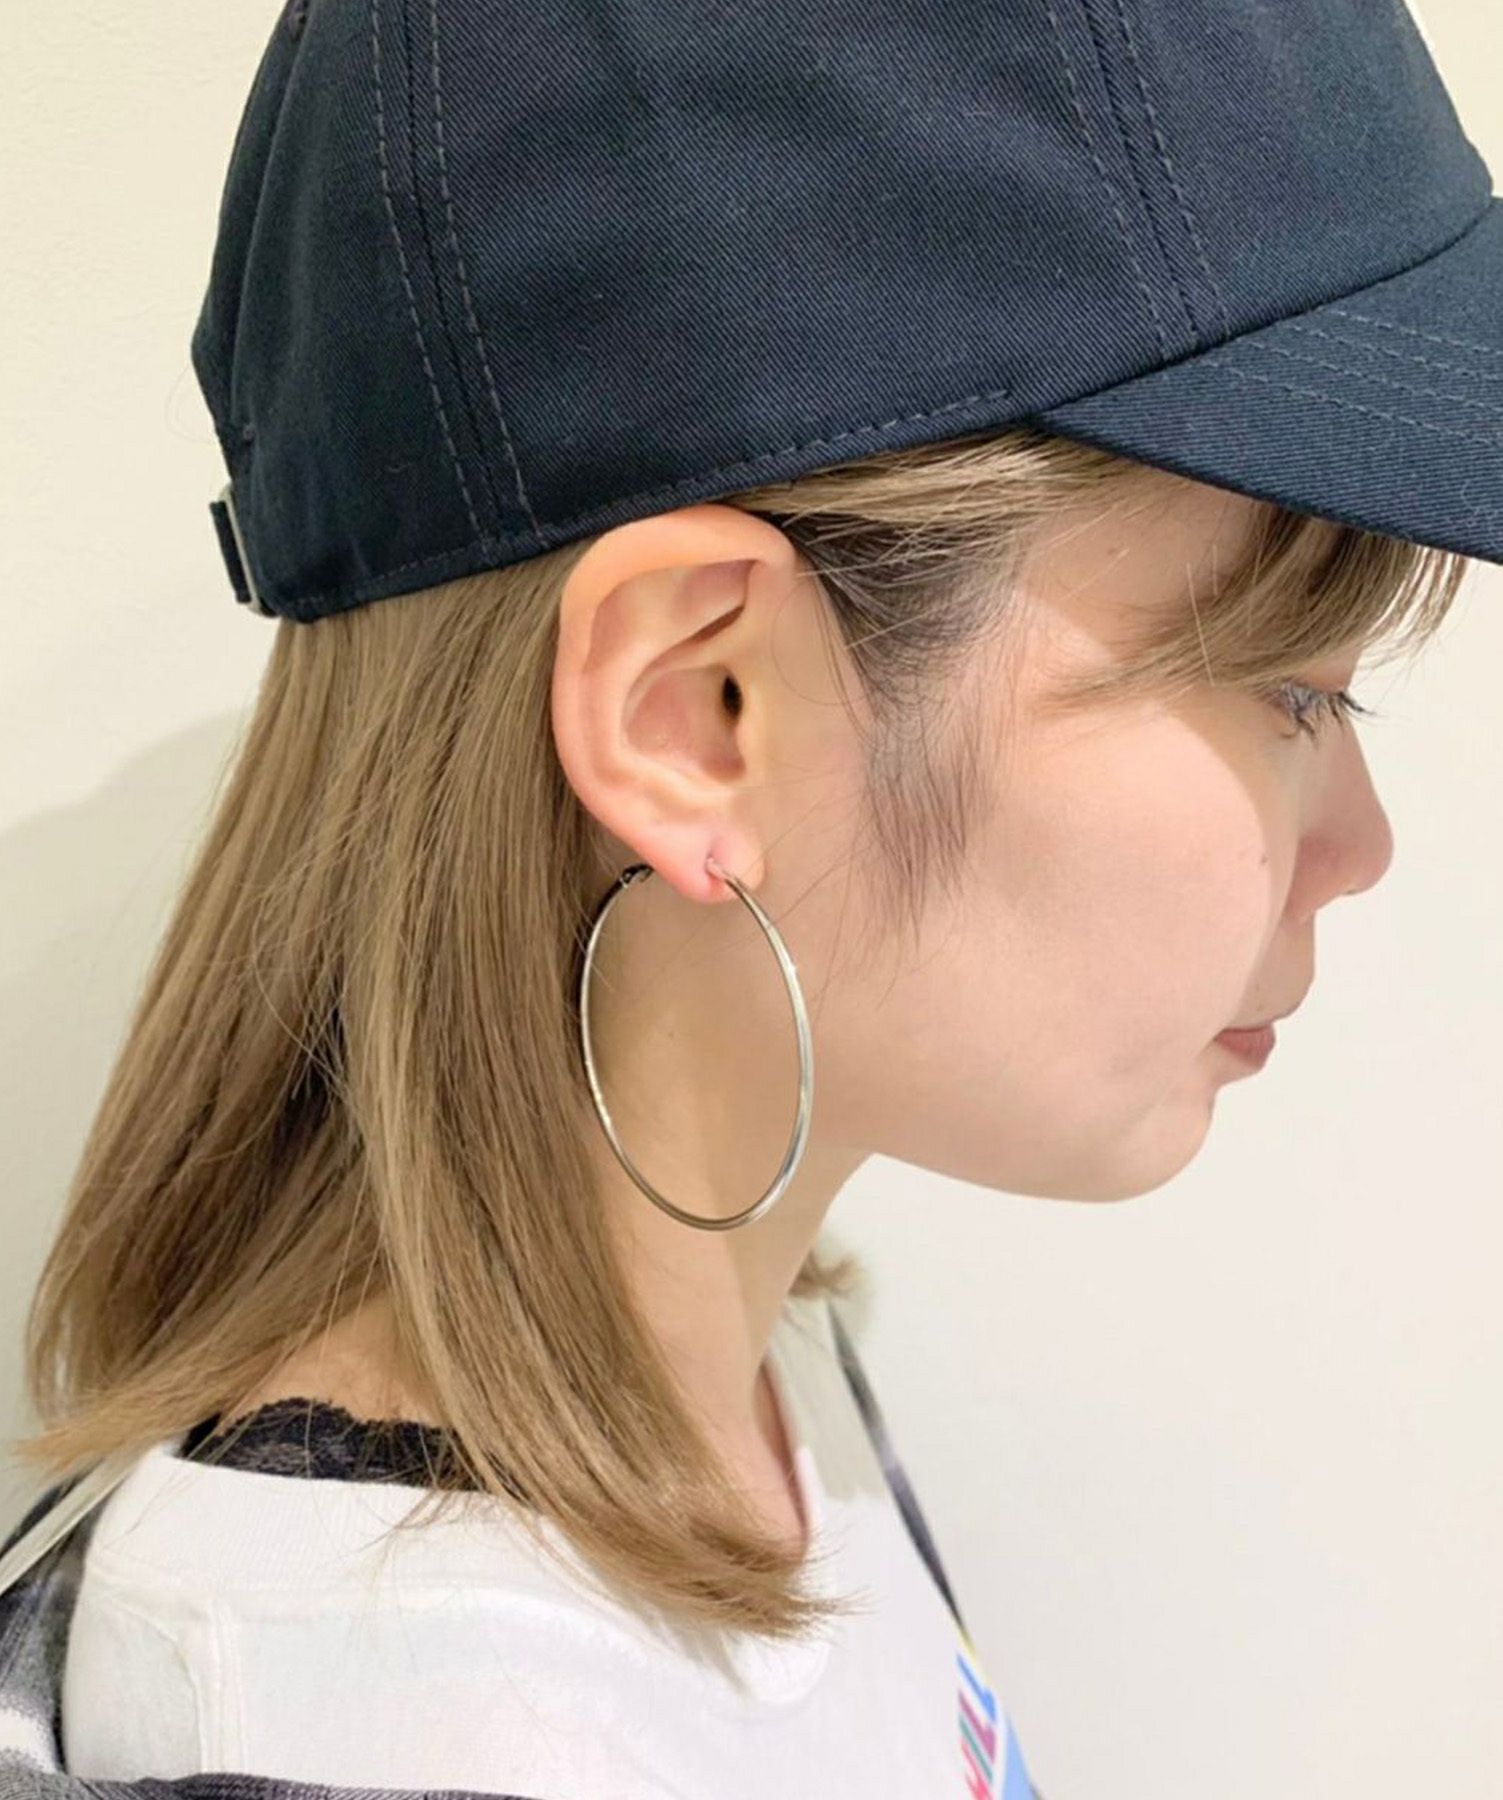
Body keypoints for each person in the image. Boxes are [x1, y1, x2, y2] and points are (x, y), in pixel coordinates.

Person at [2, 1, 1497, 1796]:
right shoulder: (391, 1723)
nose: (1362, 846)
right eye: (1291, 692)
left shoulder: (746, 1385)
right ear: (701, 715)